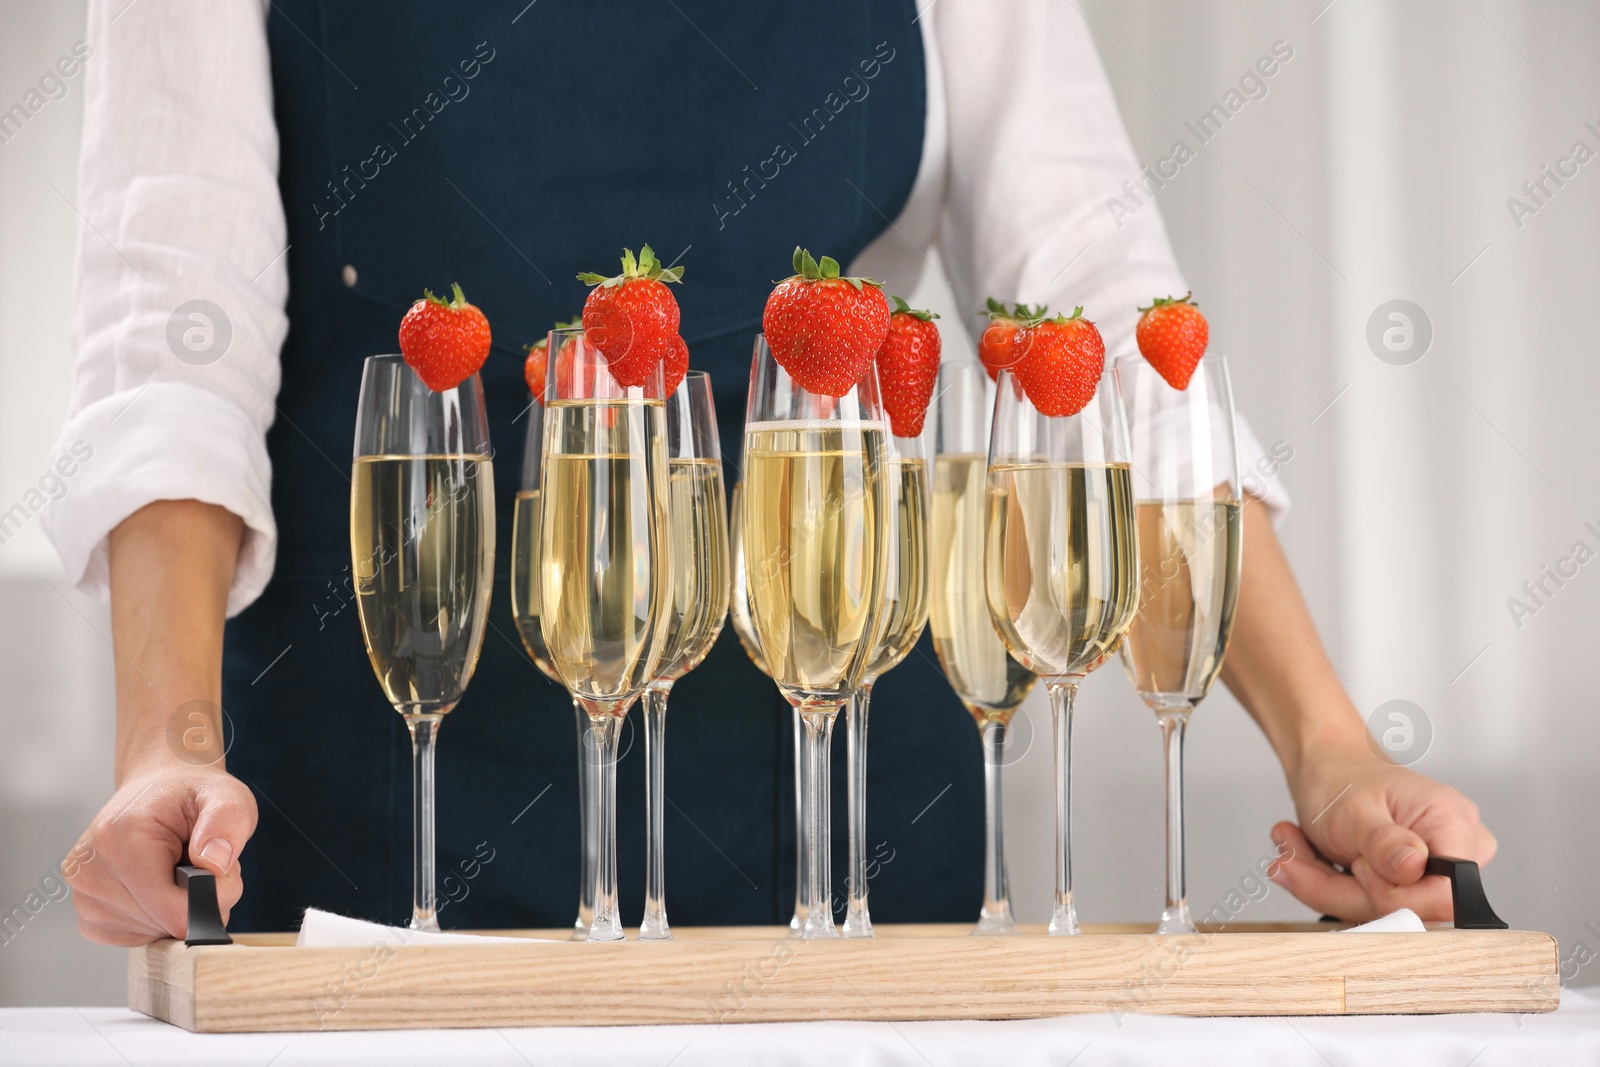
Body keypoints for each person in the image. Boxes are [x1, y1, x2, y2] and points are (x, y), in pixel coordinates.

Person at [49, 0, 1492, 946]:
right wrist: (164, 747)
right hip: (383, 832)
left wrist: (1331, 749)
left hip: (860, 829)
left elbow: (1114, 338)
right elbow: (177, 340)